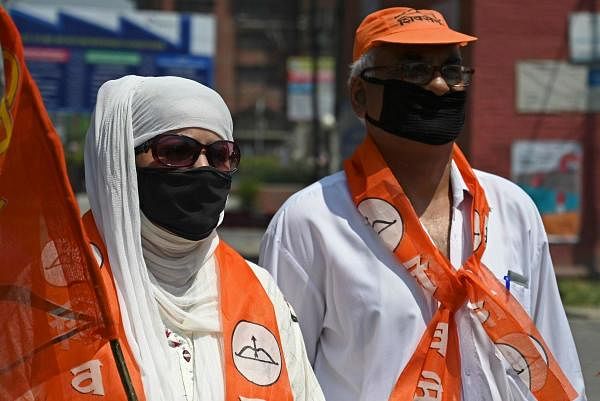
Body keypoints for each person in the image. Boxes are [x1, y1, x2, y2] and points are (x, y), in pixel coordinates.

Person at [259, 7, 587, 401]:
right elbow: (276, 380)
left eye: (451, 71)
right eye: (412, 71)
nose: (438, 86)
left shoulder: (512, 210)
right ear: (360, 95)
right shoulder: (310, 223)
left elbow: (555, 358)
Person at [78, 75, 325, 400]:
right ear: (122, 160)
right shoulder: (57, 288)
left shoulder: (260, 292)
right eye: (178, 151)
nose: (203, 168)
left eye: (221, 154)